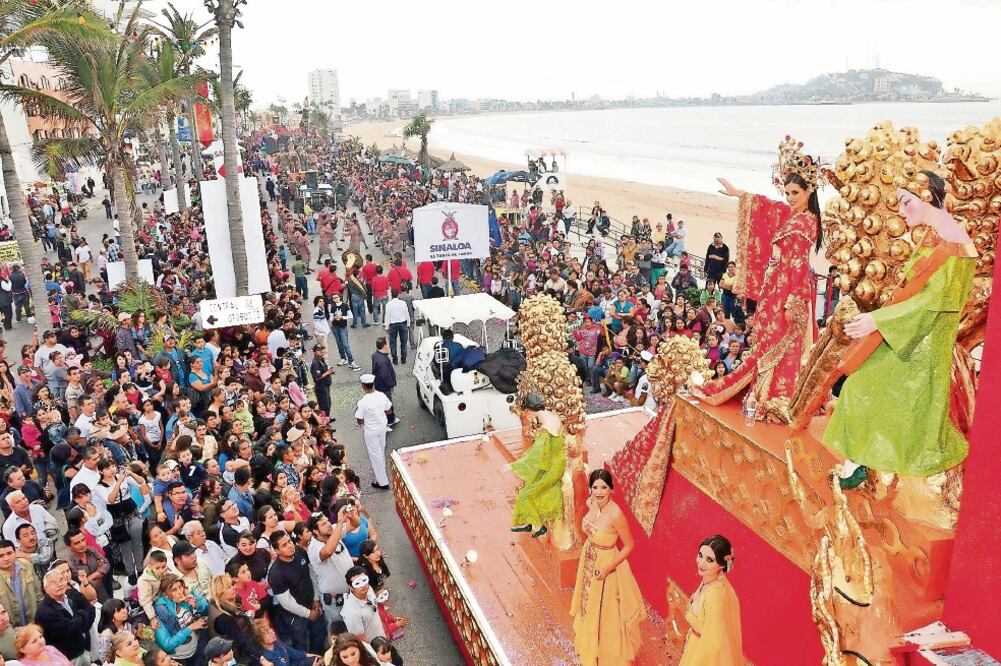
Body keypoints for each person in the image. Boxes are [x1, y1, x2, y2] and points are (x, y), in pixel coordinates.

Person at [826, 171, 977, 489]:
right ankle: (861, 460)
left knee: (861, 386)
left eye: (907, 202)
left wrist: (878, 321)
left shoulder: (953, 243)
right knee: (857, 384)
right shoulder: (939, 235)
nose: (901, 210)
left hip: (922, 344)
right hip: (910, 333)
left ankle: (863, 463)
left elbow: (932, 305)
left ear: (926, 198)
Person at [698, 137, 822, 412]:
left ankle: (780, 395)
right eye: (787, 193)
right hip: (778, 286)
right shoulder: (791, 214)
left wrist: (795, 300)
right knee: (769, 338)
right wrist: (739, 193)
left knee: (785, 339)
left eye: (795, 194)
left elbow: (799, 265)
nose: (789, 199)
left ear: (809, 191)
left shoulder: (805, 221)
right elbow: (765, 205)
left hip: (791, 289)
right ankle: (765, 391)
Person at [570, 470, 645, 666]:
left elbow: (629, 545)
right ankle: (589, 647)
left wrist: (608, 568)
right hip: (588, 561)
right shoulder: (592, 504)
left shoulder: (616, 514)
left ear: (611, 489)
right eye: (595, 487)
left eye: (604, 487)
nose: (599, 491)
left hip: (606, 567)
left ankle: (605, 656)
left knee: (604, 612)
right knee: (587, 605)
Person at [679, 535, 744, 666]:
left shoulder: (713, 596)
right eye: (700, 555)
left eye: (709, 560)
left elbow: (714, 644)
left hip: (703, 656)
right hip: (695, 645)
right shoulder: (711, 581)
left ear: (721, 565)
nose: (701, 562)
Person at [510, 394, 565, 539]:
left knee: (525, 494)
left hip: (553, 468)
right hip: (554, 462)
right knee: (530, 483)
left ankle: (539, 525)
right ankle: (530, 521)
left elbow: (535, 454)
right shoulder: (552, 416)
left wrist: (515, 465)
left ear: (529, 410)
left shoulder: (546, 427)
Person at [267, 532, 325, 654]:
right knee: (300, 644)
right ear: (277, 551)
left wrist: (316, 599)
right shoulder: (276, 574)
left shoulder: (299, 551)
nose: (290, 545)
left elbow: (311, 574)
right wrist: (308, 614)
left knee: (319, 634)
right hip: (294, 615)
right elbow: (286, 602)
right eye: (284, 545)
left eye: (289, 541)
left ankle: (318, 659)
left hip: (312, 604)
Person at [36, 568, 96, 666]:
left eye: (61, 580)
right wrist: (82, 614)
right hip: (65, 659)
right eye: (54, 583)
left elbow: (91, 610)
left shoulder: (72, 594)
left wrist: (80, 623)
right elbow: (69, 629)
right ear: (46, 589)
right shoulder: (45, 611)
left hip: (84, 650)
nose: (59, 584)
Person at [153, 573, 209, 664]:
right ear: (165, 594)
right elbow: (167, 644)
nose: (179, 592)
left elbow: (207, 609)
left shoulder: (185, 599)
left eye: (180, 587)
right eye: (174, 590)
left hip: (195, 643)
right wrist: (190, 628)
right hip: (182, 655)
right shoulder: (161, 612)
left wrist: (196, 604)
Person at [354, 374, 392, 490]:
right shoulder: (381, 396)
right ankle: (382, 476)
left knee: (376, 456)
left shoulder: (363, 402)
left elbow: (360, 420)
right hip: (382, 427)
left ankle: (382, 482)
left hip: (371, 431)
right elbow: (389, 411)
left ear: (363, 386)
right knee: (381, 450)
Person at [0, 538, 42, 627]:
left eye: (9, 553)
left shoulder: (26, 565)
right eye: (1, 556)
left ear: (15, 552)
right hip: (9, 630)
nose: (6, 558)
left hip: (34, 624)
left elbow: (39, 595)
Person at [341, 567, 385, 643]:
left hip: (383, 640)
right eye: (357, 583)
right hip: (374, 649)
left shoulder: (369, 589)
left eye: (364, 580)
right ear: (350, 587)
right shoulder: (351, 612)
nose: (363, 586)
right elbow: (360, 640)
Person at [309, 343, 333, 416]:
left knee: (328, 403)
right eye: (319, 350)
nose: (321, 351)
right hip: (321, 387)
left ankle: (327, 418)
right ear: (314, 352)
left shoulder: (321, 359)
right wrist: (327, 373)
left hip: (326, 385)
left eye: (322, 350)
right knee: (324, 405)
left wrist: (329, 371)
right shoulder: (315, 363)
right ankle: (325, 422)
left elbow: (323, 370)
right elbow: (317, 377)